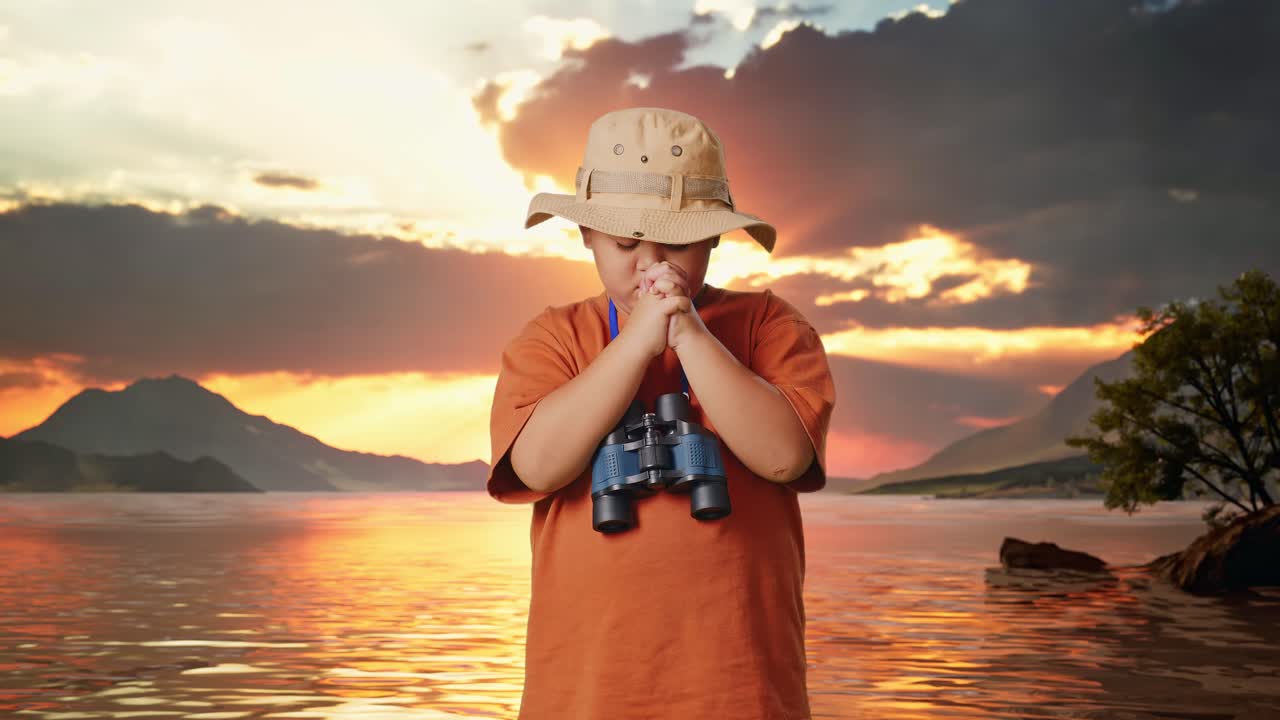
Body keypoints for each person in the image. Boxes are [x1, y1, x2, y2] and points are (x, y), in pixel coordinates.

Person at [487, 106, 836, 719]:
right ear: (587, 235)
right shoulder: (553, 339)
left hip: (740, 688)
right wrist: (635, 345)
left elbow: (784, 458)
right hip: (585, 691)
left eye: (677, 243)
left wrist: (689, 334)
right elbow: (538, 468)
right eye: (625, 243)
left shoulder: (769, 325)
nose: (651, 265)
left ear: (714, 239)